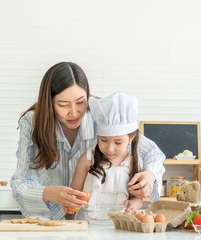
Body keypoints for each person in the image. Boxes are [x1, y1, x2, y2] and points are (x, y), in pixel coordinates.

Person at [10, 62, 165, 220]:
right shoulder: (32, 122)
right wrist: (49, 192)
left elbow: (152, 153)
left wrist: (149, 175)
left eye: (80, 102)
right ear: (49, 103)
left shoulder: (101, 115)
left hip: (88, 224)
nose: (74, 113)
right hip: (44, 218)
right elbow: (22, 181)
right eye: (63, 105)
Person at [65, 91, 144, 220]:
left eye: (118, 142)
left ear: (131, 138)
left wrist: (135, 203)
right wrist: (69, 221)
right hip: (88, 224)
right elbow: (73, 196)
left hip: (119, 225)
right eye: (103, 140)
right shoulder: (87, 159)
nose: (110, 148)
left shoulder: (132, 162)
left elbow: (138, 198)